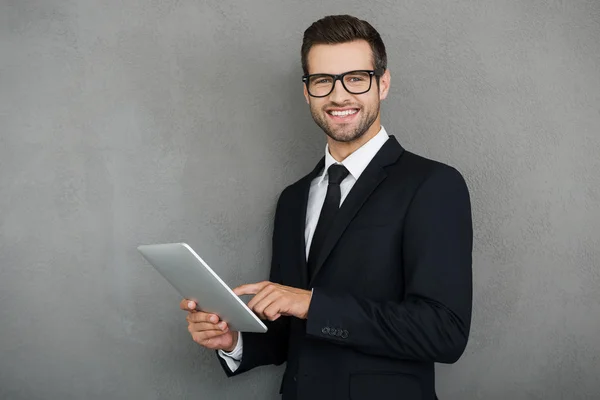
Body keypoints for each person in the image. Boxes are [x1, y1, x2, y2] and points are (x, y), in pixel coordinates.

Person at [180, 14, 473, 400]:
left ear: (382, 84)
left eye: (356, 78)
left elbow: (443, 332)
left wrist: (312, 304)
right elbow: (291, 334)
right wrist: (232, 340)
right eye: (323, 81)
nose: (339, 96)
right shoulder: (293, 199)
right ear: (307, 92)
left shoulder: (432, 185)